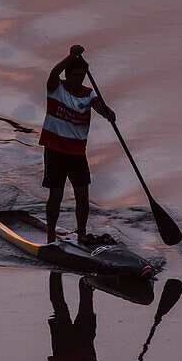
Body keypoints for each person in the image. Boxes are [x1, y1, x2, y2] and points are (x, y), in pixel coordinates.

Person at [39, 45, 115, 244]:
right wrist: (71, 56)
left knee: (82, 194)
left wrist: (108, 113)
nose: (78, 79)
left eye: (82, 76)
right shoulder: (56, 87)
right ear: (68, 74)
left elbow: (99, 107)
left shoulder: (89, 93)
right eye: (75, 75)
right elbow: (54, 72)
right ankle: (50, 236)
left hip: (77, 152)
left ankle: (81, 233)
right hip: (55, 149)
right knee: (56, 194)